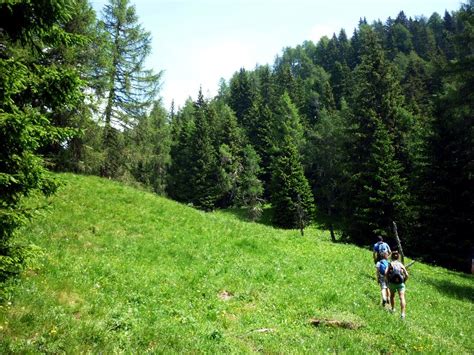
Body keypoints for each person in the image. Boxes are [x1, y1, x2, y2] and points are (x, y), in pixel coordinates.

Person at [385, 251, 409, 319]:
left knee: (392, 296)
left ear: (391, 257)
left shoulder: (390, 264)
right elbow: (407, 275)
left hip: (392, 283)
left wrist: (388, 280)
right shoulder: (401, 264)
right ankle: (403, 314)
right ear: (398, 257)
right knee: (402, 297)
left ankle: (393, 309)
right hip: (400, 283)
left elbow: (386, 273)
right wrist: (404, 281)